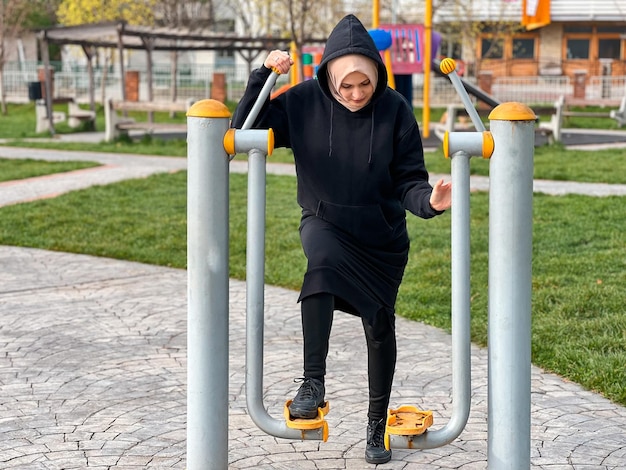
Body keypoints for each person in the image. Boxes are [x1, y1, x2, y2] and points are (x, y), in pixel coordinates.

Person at [231, 14, 452, 465]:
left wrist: (431, 201)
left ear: (375, 76)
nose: (355, 95)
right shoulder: (304, 102)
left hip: (381, 239)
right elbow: (243, 128)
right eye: (346, 86)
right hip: (324, 220)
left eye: (364, 86)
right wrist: (263, 75)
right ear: (330, 75)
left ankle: (375, 423)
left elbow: (408, 180)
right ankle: (312, 382)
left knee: (379, 325)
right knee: (322, 270)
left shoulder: (395, 110)